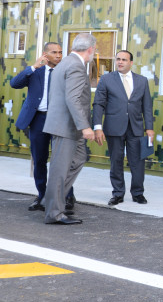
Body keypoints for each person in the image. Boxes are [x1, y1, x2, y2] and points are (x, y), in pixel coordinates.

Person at [10, 41, 75, 213]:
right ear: (45, 55)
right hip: (38, 119)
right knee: (39, 159)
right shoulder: (35, 72)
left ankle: (67, 196)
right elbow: (14, 83)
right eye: (54, 52)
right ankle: (42, 196)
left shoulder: (66, 71)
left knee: (62, 161)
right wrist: (33, 67)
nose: (58, 55)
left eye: (60, 52)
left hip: (60, 120)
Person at [42, 33, 98, 225]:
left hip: (67, 126)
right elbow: (73, 99)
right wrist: (85, 127)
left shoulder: (65, 62)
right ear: (90, 49)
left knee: (79, 159)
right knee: (60, 170)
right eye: (94, 50)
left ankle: (52, 200)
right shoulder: (75, 66)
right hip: (67, 126)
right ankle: (54, 213)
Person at [92, 50, 155, 206]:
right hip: (114, 127)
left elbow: (147, 106)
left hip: (136, 127)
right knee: (116, 161)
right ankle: (118, 194)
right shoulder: (106, 79)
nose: (120, 62)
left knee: (138, 162)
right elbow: (98, 104)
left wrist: (149, 128)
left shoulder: (142, 81)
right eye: (118, 59)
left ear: (131, 63)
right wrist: (98, 127)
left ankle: (138, 193)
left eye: (124, 60)